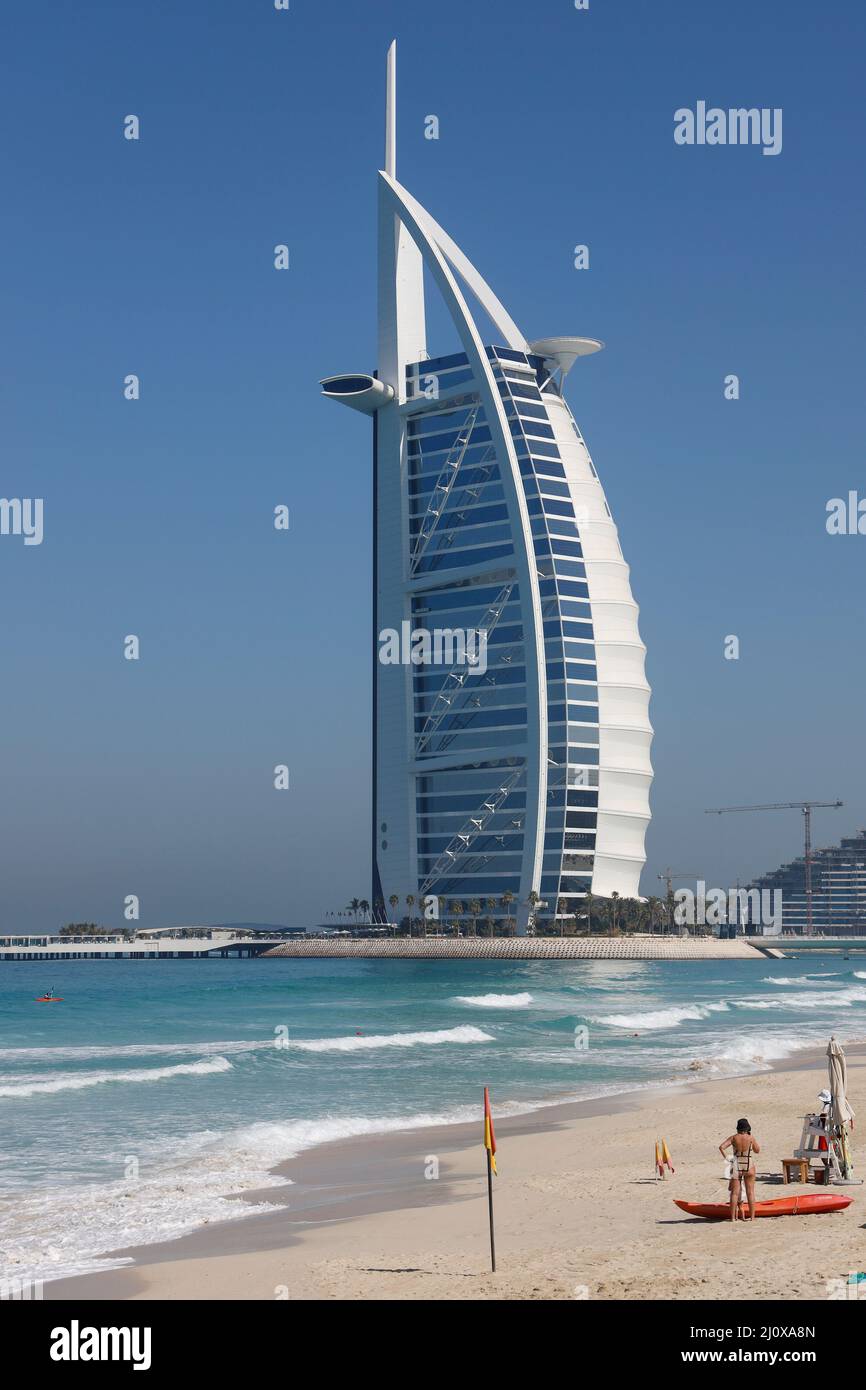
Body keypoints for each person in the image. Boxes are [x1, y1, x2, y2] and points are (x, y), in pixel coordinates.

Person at [720, 1118, 760, 1222]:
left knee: (734, 1193)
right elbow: (757, 1150)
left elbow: (721, 1147)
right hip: (749, 1165)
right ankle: (752, 1217)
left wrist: (728, 1158)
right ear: (747, 1128)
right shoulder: (750, 1138)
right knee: (750, 1192)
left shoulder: (733, 1138)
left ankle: (733, 1218)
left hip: (737, 1165)